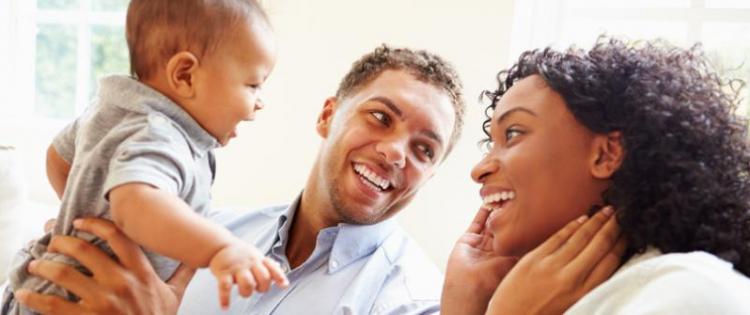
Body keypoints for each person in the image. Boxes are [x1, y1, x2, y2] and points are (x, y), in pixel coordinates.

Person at [10, 44, 624, 315]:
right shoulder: (202, 229)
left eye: (423, 148)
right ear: (328, 115)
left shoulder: (408, 304)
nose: (392, 152)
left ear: (433, 173)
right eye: (380, 117)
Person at [2, 1, 288, 314]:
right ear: (185, 75)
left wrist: (82, 214)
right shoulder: (161, 135)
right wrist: (221, 248)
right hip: (71, 301)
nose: (259, 103)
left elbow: (58, 158)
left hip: (51, 287)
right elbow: (135, 204)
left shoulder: (114, 109)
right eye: (253, 85)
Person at [461, 36, 750, 314]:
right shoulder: (553, 301)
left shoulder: (688, 294)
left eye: (513, 133)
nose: (479, 169)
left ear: (606, 154)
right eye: (490, 144)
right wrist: (463, 305)